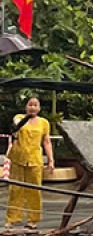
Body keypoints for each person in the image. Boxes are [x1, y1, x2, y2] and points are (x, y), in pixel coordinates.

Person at [5, 97, 53, 229]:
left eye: (35, 105)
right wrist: (25, 119)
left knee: (35, 190)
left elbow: (46, 142)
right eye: (30, 104)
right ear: (26, 106)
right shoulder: (19, 117)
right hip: (18, 157)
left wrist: (50, 160)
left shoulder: (44, 122)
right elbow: (16, 125)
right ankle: (12, 219)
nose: (32, 107)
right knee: (16, 189)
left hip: (35, 159)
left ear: (39, 108)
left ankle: (33, 220)